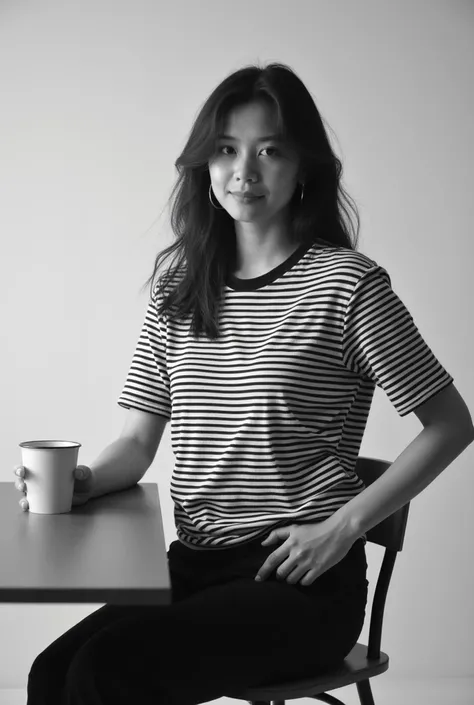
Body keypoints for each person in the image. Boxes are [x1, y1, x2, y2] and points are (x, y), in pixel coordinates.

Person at [14, 62, 473, 705]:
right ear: (203, 164)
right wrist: (81, 481)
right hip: (195, 566)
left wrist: (342, 529)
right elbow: (136, 443)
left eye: (270, 151)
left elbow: (452, 424)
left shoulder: (348, 286)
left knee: (106, 673)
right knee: (51, 673)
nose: (244, 172)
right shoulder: (180, 289)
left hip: (300, 581)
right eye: (226, 150)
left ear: (305, 166)